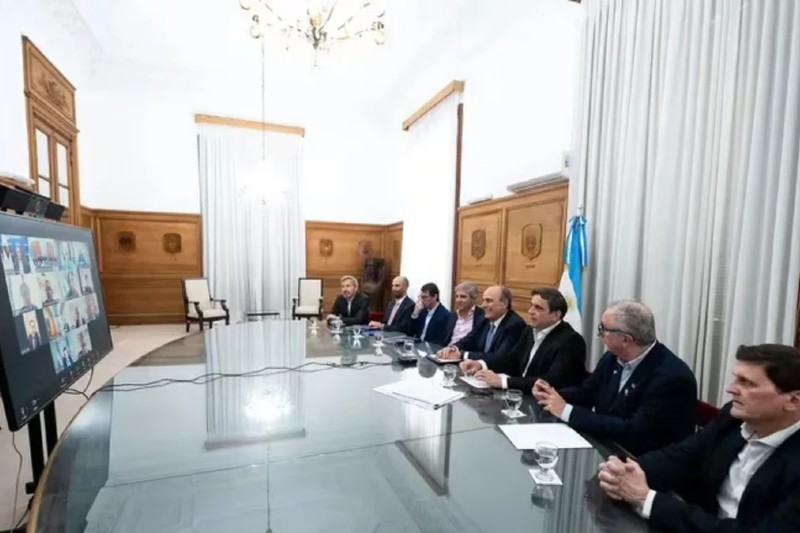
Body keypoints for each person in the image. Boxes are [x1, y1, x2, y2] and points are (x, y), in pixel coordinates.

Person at [597, 344, 800, 532]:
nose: (730, 389)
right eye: (736, 378)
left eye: (746, 383)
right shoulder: (734, 417)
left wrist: (647, 499)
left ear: (793, 400)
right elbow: (682, 455)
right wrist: (624, 472)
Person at [533, 300, 697, 455]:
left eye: (603, 329)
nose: (600, 335)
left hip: (640, 461)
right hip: (607, 447)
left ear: (626, 339)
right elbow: (587, 392)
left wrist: (567, 411)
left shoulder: (672, 378)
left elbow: (632, 431)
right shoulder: (612, 357)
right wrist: (552, 394)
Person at [460, 287, 586, 391]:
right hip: (520, 395)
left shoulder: (571, 341)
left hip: (546, 405)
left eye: (538, 308)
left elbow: (550, 381)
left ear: (556, 315)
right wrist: (480, 364)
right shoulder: (529, 331)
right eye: (531, 306)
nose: (531, 311)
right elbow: (511, 359)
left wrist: (503, 381)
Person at [437, 285, 526, 368]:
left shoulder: (514, 324)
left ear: (504, 303)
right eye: (483, 300)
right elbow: (471, 338)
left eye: (488, 301)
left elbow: (500, 358)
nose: (483, 305)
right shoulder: (484, 319)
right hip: (478, 372)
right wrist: (453, 348)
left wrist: (462, 354)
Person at [442, 282, 485, 346]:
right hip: (447, 351)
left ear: (473, 298)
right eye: (457, 297)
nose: (459, 300)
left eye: (463, 297)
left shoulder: (481, 316)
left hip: (467, 353)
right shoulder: (451, 316)